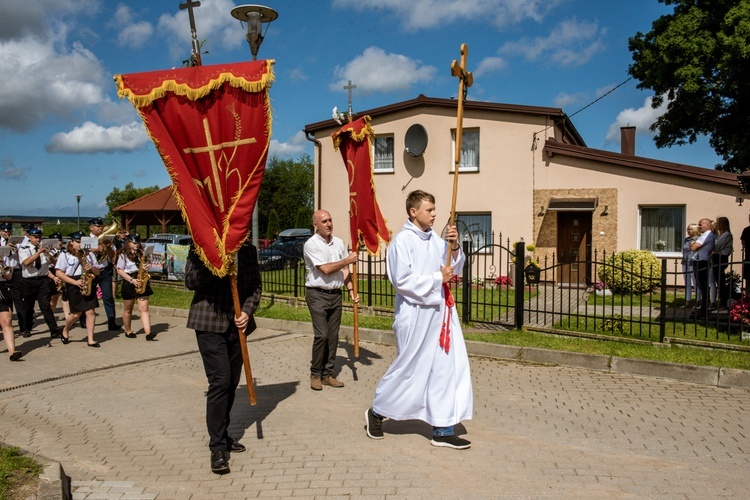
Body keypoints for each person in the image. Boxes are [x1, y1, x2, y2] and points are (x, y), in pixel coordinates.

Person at [365, 190, 473, 450]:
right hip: (415, 315)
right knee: (411, 369)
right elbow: (402, 281)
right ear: (413, 212)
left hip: (440, 314)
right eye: (429, 209)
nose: (434, 214)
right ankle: (377, 413)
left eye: (435, 209)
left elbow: (455, 266)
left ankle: (443, 429)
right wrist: (438, 278)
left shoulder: (436, 240)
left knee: (444, 370)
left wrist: (454, 246)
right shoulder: (402, 242)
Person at [185, 241, 262, 475]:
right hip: (208, 323)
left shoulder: (247, 249)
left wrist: (247, 311)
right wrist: (216, 264)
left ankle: (224, 434)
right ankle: (217, 447)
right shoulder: (201, 246)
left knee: (230, 382)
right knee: (220, 380)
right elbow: (190, 282)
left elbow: (255, 286)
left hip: (237, 325)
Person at [303, 210, 359, 391]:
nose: (328, 224)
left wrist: (351, 290)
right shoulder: (311, 245)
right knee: (322, 335)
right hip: (317, 294)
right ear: (315, 225)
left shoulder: (339, 243)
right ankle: (315, 374)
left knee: (333, 336)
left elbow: (345, 272)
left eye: (330, 220)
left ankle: (328, 374)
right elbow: (326, 269)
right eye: (324, 221)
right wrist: (347, 260)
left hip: (335, 294)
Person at [55, 232, 101, 347]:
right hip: (73, 282)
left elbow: (98, 272)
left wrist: (92, 268)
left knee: (90, 312)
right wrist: (74, 282)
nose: (80, 244)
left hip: (87, 282)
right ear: (72, 242)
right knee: (76, 314)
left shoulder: (89, 254)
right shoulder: (65, 255)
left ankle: (91, 339)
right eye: (77, 242)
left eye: (82, 242)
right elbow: (59, 273)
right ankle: (65, 329)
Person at [17, 228, 62, 338]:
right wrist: (38, 252)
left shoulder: (45, 249)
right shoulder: (24, 249)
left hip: (42, 280)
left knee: (45, 305)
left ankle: (54, 329)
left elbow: (55, 262)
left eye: (40, 237)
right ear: (30, 238)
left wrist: (49, 254)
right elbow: (27, 262)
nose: (38, 239)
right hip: (29, 281)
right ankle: (27, 328)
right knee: (28, 306)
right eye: (36, 237)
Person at [115, 233, 154, 340]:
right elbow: (119, 270)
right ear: (129, 243)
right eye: (134, 243)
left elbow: (148, 264)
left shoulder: (142, 253)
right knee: (128, 309)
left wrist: (146, 267)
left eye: (138, 243)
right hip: (129, 280)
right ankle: (128, 331)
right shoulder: (123, 255)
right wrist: (131, 280)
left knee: (144, 308)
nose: (136, 245)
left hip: (141, 279)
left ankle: (148, 333)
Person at [88, 217, 121, 331]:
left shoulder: (106, 239)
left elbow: (112, 256)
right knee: (88, 296)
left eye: (101, 226)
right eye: (97, 226)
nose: (100, 228)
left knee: (108, 296)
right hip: (90, 271)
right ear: (91, 227)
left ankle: (111, 321)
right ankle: (84, 319)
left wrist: (108, 247)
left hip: (104, 271)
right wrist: (96, 249)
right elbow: (82, 251)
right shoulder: (86, 239)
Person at [0, 223, 26, 333]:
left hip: (15, 270)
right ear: (1, 231)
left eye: (9, 231)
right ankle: (5, 323)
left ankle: (23, 325)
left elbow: (21, 256)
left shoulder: (17, 243)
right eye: (5, 231)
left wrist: (15, 248)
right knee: (5, 299)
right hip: (2, 271)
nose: (7, 233)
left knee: (18, 298)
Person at [0, 240, 22, 361]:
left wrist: (3, 265)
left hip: (2, 289)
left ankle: (12, 352)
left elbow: (8, 276)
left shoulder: (2, 256)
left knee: (7, 322)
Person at [690, 218, 715, 319]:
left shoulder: (706, 235)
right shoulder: (703, 235)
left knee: (703, 287)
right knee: (701, 286)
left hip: (701, 262)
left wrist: (694, 244)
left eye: (700, 225)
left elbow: (693, 247)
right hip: (699, 261)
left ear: (707, 226)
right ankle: (703, 309)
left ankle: (704, 311)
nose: (699, 227)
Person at [712, 216, 734, 310]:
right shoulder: (720, 235)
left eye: (718, 222)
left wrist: (713, 248)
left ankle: (723, 304)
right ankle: (722, 302)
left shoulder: (726, 235)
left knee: (720, 282)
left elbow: (716, 247)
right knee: (718, 281)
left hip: (720, 258)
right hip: (717, 257)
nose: (716, 224)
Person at [682, 224, 699, 308]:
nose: (688, 231)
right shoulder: (686, 239)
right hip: (685, 262)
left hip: (692, 263)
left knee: (695, 282)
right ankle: (687, 301)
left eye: (690, 229)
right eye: (687, 229)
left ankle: (698, 300)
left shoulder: (697, 239)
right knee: (687, 282)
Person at [741, 213, 750, 295]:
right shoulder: (747, 230)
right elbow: (743, 242)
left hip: (748, 257)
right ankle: (747, 299)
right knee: (748, 280)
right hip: (748, 257)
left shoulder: (746, 230)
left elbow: (743, 243)